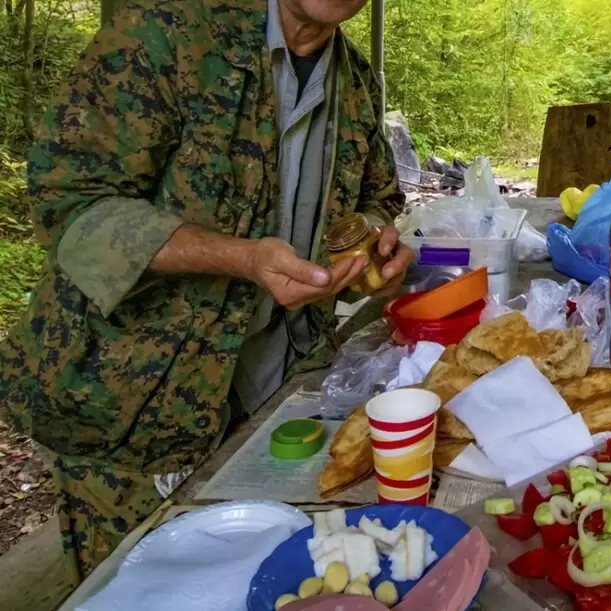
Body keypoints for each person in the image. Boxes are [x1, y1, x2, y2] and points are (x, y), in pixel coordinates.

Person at [0, 0, 414, 582]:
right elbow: (71, 206)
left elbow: (380, 199)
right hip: (132, 405)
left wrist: (374, 246)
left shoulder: (356, 78)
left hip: (276, 382)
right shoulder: (163, 34)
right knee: (142, 587)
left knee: (270, 578)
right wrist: (239, 258)